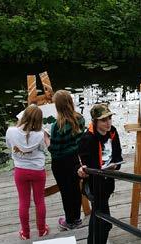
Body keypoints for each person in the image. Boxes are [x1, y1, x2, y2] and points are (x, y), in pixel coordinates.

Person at [77, 103, 123, 244]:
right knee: (103, 219)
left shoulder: (113, 132)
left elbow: (118, 155)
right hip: (94, 185)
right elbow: (81, 163)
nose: (108, 122)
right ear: (95, 121)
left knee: (100, 216)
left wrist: (115, 165)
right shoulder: (87, 139)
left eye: (109, 118)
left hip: (108, 181)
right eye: (104, 120)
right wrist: (81, 170)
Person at [5, 104, 49, 240]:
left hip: (20, 171)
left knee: (23, 202)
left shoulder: (11, 131)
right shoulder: (41, 134)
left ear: (24, 116)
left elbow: (9, 146)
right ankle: (42, 230)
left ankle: (25, 233)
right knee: (39, 201)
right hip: (38, 171)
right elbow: (44, 148)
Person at [48, 90, 85, 230]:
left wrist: (46, 140)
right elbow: (79, 140)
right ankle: (76, 218)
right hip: (75, 159)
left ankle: (69, 221)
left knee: (66, 191)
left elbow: (55, 150)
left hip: (60, 163)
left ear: (57, 107)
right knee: (75, 189)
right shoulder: (80, 118)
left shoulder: (57, 126)